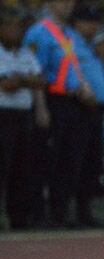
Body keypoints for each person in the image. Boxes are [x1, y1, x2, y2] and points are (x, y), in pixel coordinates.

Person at [23, 0, 94, 228]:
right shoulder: (39, 33)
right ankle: (38, 213)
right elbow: (36, 71)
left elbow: (72, 65)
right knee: (46, 160)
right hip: (52, 99)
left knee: (68, 159)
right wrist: (41, 107)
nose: (68, 6)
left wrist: (83, 86)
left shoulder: (68, 34)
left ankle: (60, 212)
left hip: (71, 101)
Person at [0, 9, 46, 230]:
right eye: (10, 26)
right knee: (3, 167)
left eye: (18, 27)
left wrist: (21, 80)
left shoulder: (27, 54)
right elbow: (7, 86)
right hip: (3, 116)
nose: (15, 31)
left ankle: (19, 217)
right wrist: (26, 80)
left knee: (22, 168)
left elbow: (41, 81)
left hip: (23, 115)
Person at [72, 5, 104, 228]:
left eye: (95, 22)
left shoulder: (96, 46)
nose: (93, 26)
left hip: (98, 110)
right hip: (78, 107)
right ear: (77, 23)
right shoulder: (70, 44)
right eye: (88, 21)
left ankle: (85, 211)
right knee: (75, 160)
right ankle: (69, 211)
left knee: (92, 162)